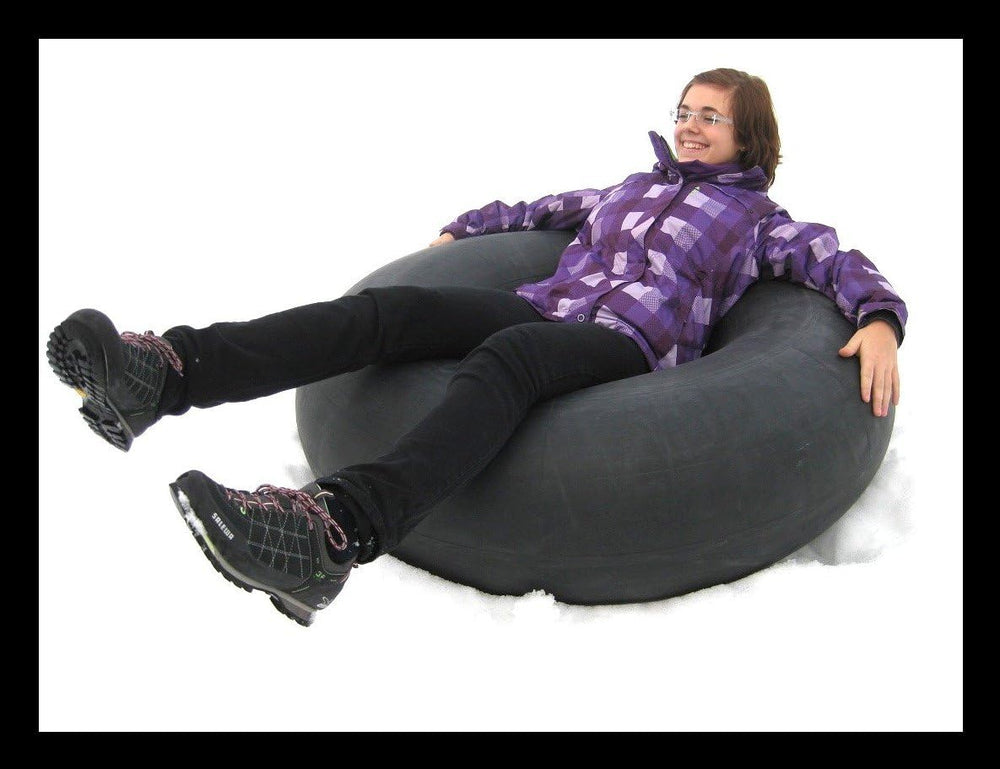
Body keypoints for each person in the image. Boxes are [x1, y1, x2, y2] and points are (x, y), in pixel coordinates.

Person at [46, 67, 906, 627]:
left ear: (748, 135)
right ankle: (164, 374)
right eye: (683, 111)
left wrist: (878, 318)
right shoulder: (631, 187)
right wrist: (468, 228)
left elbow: (833, 261)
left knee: (511, 361)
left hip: (624, 344)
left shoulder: (757, 222)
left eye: (710, 117)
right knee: (393, 311)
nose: (689, 126)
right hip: (541, 304)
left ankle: (332, 532)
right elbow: (542, 210)